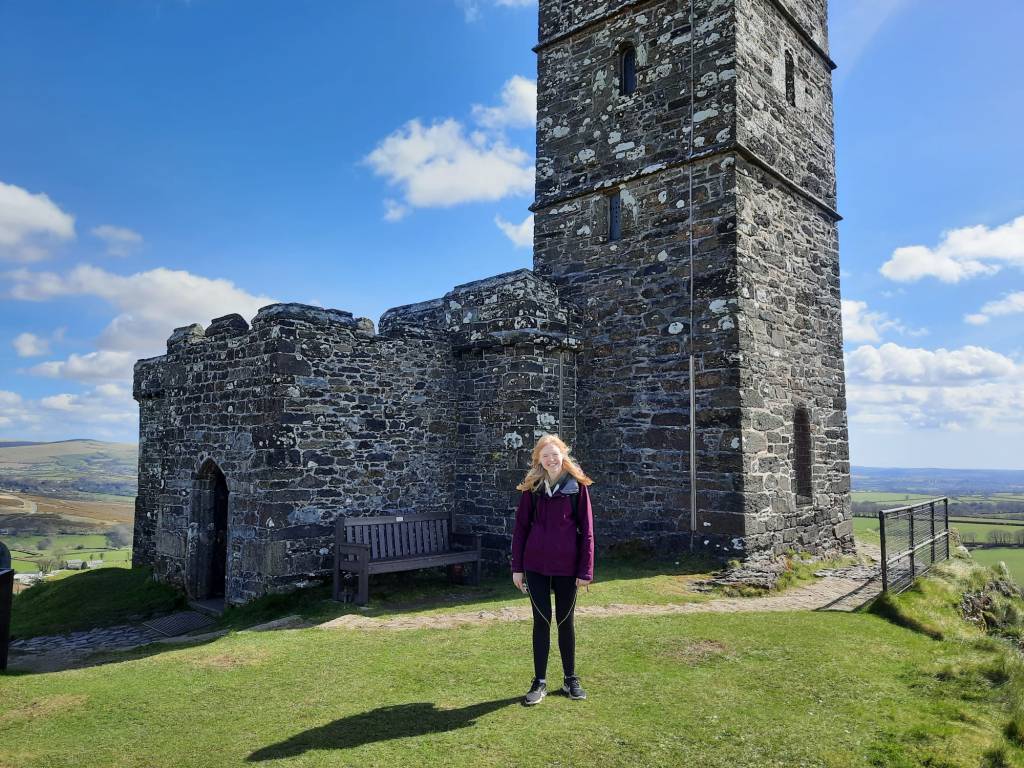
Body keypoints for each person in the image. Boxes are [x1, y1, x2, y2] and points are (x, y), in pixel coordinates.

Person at [510, 433, 594, 706]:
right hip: (535, 567)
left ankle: (570, 679)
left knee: (565, 623)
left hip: (568, 568)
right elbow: (520, 530)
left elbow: (588, 533)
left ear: (563, 455)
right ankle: (539, 682)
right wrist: (517, 568)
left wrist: (586, 571)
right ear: (539, 459)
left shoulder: (577, 488)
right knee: (541, 622)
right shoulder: (531, 489)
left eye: (554, 454)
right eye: (544, 455)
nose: (550, 459)